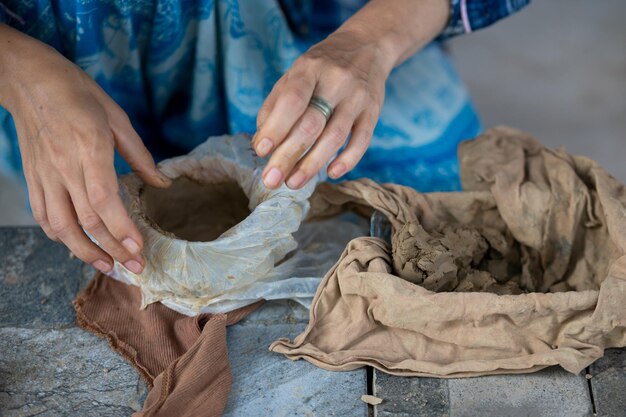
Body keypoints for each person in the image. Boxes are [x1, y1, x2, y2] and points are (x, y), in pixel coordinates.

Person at [0, 0, 529, 276]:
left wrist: (371, 44)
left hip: (320, 31)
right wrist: (21, 74)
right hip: (64, 58)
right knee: (114, 228)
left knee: (448, 235)